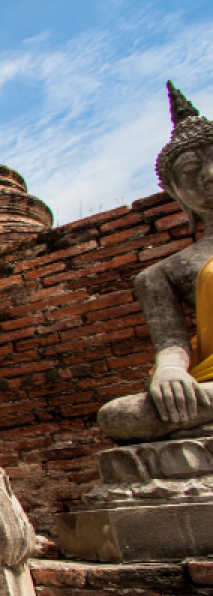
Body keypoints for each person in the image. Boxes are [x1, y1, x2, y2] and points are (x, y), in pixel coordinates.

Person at [99, 82, 213, 443]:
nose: (209, 175)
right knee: (118, 416)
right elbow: (171, 345)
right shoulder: (162, 273)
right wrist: (169, 373)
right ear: (176, 192)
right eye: (191, 169)